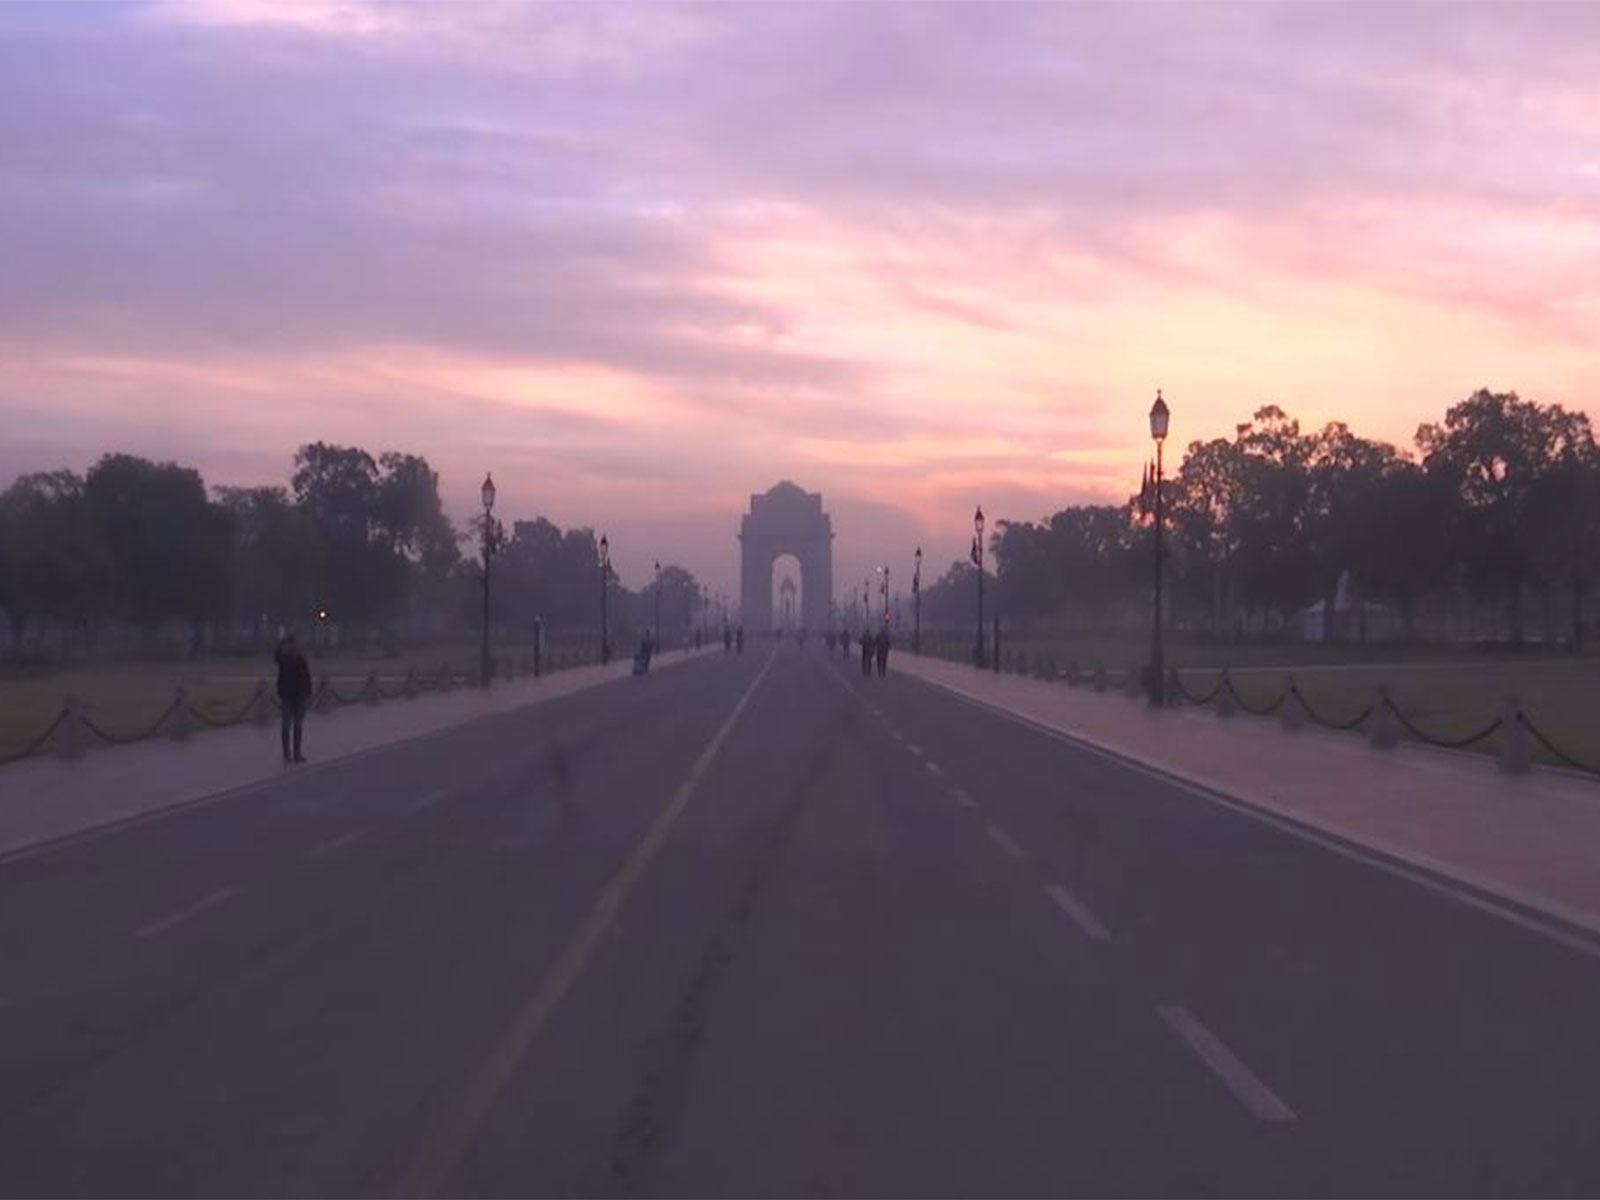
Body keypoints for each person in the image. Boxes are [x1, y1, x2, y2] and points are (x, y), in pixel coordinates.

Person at [274, 631, 313, 764]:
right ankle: (286, 754)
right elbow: (276, 656)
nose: (291, 647)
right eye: (288, 644)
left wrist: (308, 695)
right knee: (286, 725)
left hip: (300, 696)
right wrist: (281, 644)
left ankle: (297, 753)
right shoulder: (283, 659)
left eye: (292, 644)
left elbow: (307, 678)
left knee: (298, 725)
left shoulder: (301, 659)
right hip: (287, 696)